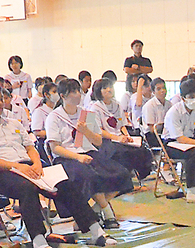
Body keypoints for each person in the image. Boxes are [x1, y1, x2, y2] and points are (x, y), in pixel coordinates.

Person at [0, 83, 116, 248]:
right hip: (2, 172)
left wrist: (37, 163)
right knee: (27, 188)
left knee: (64, 182)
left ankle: (95, 230)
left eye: (2, 99)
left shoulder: (13, 123)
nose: (0, 103)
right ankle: (39, 243)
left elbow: (30, 147)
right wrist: (15, 167)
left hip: (30, 165)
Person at [45, 78, 133, 229]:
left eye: (78, 91)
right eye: (73, 92)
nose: (78, 94)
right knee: (90, 176)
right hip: (67, 158)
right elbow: (55, 148)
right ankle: (107, 211)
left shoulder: (86, 114)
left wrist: (86, 131)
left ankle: (94, 211)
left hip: (89, 152)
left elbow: (98, 141)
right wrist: (78, 157)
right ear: (63, 96)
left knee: (122, 173)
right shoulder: (54, 117)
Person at [88, 76, 154, 185]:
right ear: (99, 92)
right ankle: (123, 181)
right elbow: (99, 130)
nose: (109, 90)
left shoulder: (117, 105)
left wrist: (127, 136)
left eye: (110, 87)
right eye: (105, 88)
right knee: (121, 152)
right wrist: (117, 138)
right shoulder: (94, 107)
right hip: (105, 140)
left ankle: (142, 176)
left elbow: (122, 125)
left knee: (141, 149)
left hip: (120, 137)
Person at [30, 82, 59, 165]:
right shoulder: (39, 111)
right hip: (45, 143)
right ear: (47, 95)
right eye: (54, 92)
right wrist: (53, 133)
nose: (57, 94)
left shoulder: (59, 110)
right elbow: (37, 132)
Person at [141, 77, 172, 149]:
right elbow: (152, 129)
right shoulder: (149, 106)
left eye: (164, 88)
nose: (162, 91)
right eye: (159, 89)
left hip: (165, 133)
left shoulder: (169, 104)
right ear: (153, 92)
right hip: (152, 135)